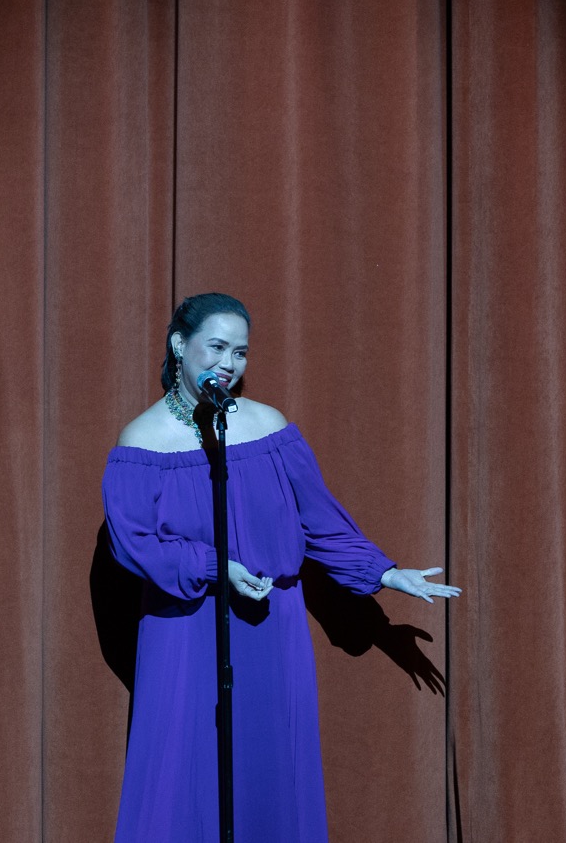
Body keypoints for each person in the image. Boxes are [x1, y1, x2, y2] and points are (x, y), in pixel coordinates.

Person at [101, 292, 461, 842]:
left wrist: (384, 573)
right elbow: (134, 546)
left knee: (271, 764)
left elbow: (317, 519)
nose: (229, 363)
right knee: (183, 767)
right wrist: (215, 565)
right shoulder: (142, 441)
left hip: (272, 624)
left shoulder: (268, 428)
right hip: (185, 625)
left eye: (240, 352)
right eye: (216, 347)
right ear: (180, 344)